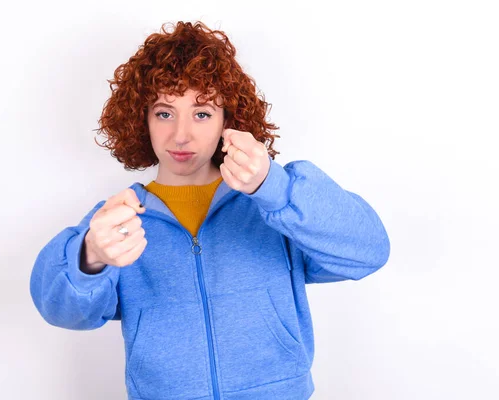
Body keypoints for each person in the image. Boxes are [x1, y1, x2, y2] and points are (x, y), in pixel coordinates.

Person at [29, 20, 391, 400]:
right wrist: (90, 257)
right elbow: (61, 311)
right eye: (164, 113)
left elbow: (369, 251)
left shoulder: (274, 203)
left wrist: (274, 186)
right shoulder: (120, 219)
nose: (181, 135)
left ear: (227, 121)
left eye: (201, 113)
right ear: (142, 119)